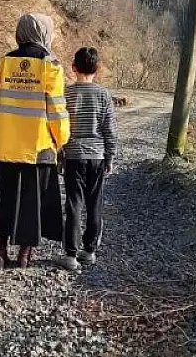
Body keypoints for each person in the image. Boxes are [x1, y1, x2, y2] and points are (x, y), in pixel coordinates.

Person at [0, 13, 70, 270]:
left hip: (4, 145)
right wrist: (62, 139)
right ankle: (24, 255)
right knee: (32, 203)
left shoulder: (4, 63)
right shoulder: (51, 65)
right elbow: (56, 109)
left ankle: (0, 251)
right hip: (38, 147)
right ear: (44, 33)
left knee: (5, 199)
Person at [56, 47, 118, 271]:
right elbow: (109, 130)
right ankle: (89, 251)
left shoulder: (66, 93)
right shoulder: (104, 95)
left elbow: (60, 127)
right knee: (95, 203)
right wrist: (110, 156)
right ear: (97, 69)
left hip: (73, 155)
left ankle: (70, 254)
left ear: (73, 67)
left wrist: (59, 154)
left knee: (73, 203)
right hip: (97, 156)